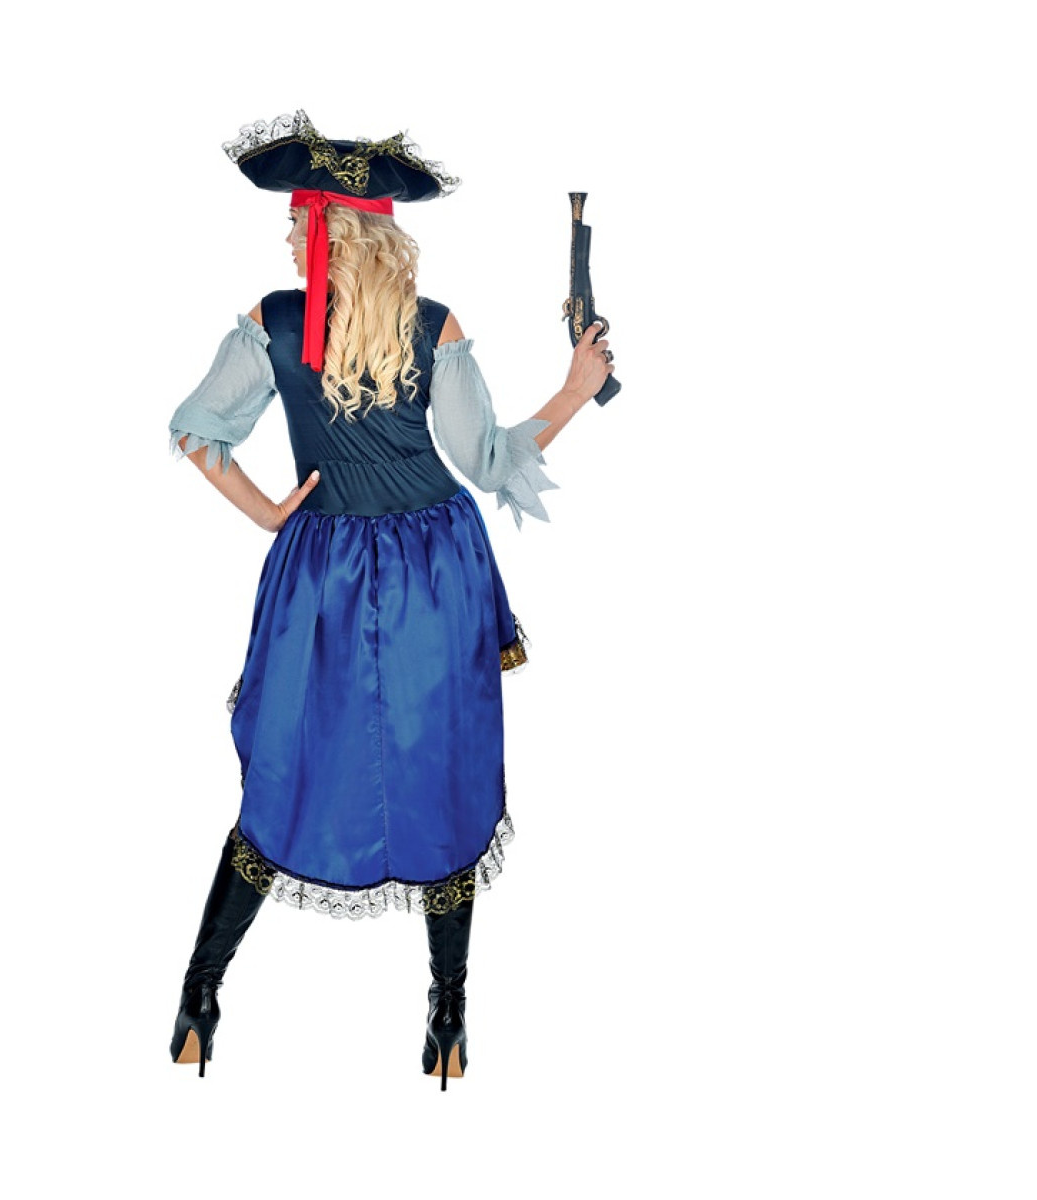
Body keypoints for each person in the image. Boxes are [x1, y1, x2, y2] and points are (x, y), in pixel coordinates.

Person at [165, 110, 614, 1089]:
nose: (290, 237)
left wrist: (270, 513)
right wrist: (576, 390)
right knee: (437, 773)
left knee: (287, 769)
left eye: (299, 224)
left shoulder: (276, 323)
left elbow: (197, 428)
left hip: (323, 569)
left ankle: (198, 1001)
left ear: (330, 237)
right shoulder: (430, 325)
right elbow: (487, 461)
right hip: (431, 573)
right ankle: (448, 1020)